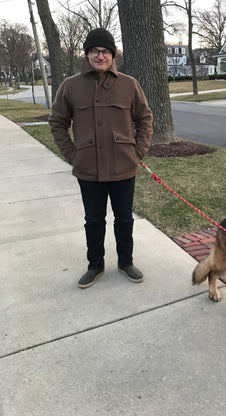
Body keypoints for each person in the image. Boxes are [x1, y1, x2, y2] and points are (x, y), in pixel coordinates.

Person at [48, 28, 153, 289]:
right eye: (95, 51)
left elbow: (145, 119)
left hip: (124, 167)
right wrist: (72, 155)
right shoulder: (70, 86)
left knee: (125, 219)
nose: (100, 56)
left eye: (105, 51)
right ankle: (95, 265)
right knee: (93, 220)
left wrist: (138, 152)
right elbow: (57, 122)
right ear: (86, 54)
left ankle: (125, 262)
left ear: (113, 54)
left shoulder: (129, 84)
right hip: (88, 169)